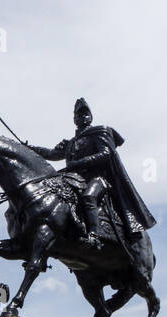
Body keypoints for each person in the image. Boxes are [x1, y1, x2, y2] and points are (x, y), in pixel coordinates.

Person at [29, 97, 156, 247]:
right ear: (74, 119)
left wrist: (79, 162)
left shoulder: (100, 132)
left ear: (91, 117)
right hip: (75, 178)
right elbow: (52, 154)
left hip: (98, 178)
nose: (82, 117)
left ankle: (94, 236)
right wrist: (29, 148)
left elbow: (106, 153)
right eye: (79, 115)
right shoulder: (71, 142)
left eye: (85, 114)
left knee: (89, 196)